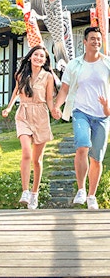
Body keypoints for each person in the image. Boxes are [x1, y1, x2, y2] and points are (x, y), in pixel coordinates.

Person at [52, 26, 110, 210]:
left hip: (102, 116)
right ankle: (81, 190)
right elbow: (65, 90)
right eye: (92, 38)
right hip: (81, 112)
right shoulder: (74, 65)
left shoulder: (107, 63)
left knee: (97, 159)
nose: (96, 42)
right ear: (84, 42)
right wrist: (56, 106)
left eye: (98, 39)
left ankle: (92, 195)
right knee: (82, 146)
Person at [2, 45, 55, 210]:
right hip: (23, 114)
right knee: (26, 151)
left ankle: (34, 193)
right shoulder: (21, 75)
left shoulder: (48, 77)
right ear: (30, 56)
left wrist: (55, 111)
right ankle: (25, 191)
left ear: (45, 60)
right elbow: (16, 92)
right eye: (36, 55)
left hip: (40, 115)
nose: (39, 58)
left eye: (42, 56)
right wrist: (9, 107)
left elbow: (49, 99)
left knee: (37, 160)